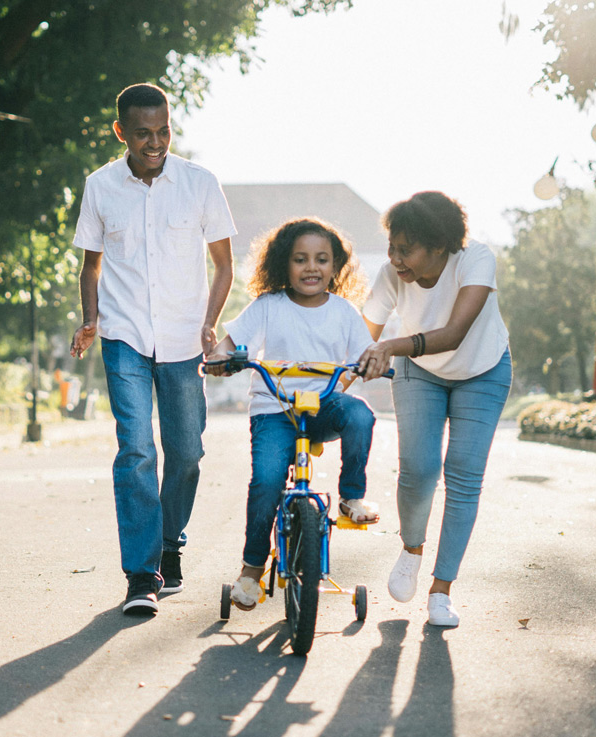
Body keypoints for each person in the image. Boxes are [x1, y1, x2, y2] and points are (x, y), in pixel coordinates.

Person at [69, 83, 236, 616]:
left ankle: (169, 544)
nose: (156, 142)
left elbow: (224, 264)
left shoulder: (200, 183)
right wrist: (91, 320)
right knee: (137, 450)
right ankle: (141, 574)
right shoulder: (100, 187)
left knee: (186, 453)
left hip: (186, 339)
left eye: (163, 131)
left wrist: (210, 323)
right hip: (124, 338)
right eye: (143, 133)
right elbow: (91, 265)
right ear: (121, 132)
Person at [205, 218, 379, 610]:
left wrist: (371, 364)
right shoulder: (268, 306)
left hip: (322, 406)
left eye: (322, 259)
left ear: (336, 267)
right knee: (267, 481)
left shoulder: (344, 312)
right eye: (300, 259)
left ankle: (352, 497)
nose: (311, 268)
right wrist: (221, 357)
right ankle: (251, 570)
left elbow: (364, 354)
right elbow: (231, 343)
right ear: (285, 264)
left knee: (361, 416)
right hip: (274, 411)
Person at [358, 191, 511, 627]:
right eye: (392, 246)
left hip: (482, 369)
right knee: (419, 468)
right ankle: (411, 548)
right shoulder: (392, 275)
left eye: (405, 249)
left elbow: (456, 332)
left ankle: (442, 590)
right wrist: (336, 380)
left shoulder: (475, 260)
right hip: (419, 372)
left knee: (463, 473)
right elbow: (360, 337)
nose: (395, 258)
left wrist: (389, 345)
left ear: (439, 246)